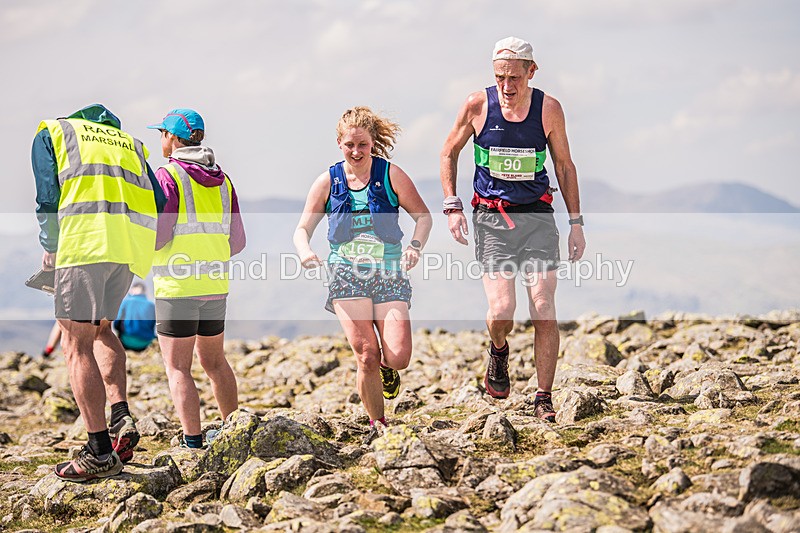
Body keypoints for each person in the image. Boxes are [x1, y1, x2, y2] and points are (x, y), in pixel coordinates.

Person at [440, 37, 586, 422]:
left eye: (515, 78)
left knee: (543, 307)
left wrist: (575, 223)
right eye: (500, 77)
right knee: (502, 310)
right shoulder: (477, 105)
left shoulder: (548, 109)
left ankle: (543, 397)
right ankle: (499, 349)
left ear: (531, 72)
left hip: (537, 216)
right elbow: (448, 152)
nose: (507, 86)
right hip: (492, 218)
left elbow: (565, 168)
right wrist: (452, 205)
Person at [32, 103, 164, 481]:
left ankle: (98, 452)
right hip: (127, 251)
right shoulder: (132, 145)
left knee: (76, 344)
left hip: (84, 247)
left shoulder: (56, 132)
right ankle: (120, 414)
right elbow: (158, 200)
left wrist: (51, 244)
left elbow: (48, 196)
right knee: (103, 329)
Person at [294, 106, 432, 443]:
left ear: (373, 144)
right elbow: (302, 228)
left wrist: (414, 246)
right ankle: (378, 424)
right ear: (339, 143)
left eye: (363, 146)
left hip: (388, 273)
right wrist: (305, 252)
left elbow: (424, 217)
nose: (356, 152)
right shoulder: (327, 181)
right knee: (367, 354)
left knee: (397, 356)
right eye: (349, 145)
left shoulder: (391, 175)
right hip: (346, 274)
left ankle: (388, 371)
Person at [148, 108, 246, 449]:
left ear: (173, 139)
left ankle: (193, 443)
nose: (160, 139)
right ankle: (234, 432)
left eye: (162, 133)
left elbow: (159, 237)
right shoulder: (224, 180)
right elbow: (238, 241)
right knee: (216, 363)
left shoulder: (167, 177)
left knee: (178, 369)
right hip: (215, 286)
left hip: (177, 288)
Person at [113, 280, 157, 351]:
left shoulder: (125, 302)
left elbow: (116, 324)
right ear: (144, 292)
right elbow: (153, 325)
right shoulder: (152, 305)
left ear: (131, 291)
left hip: (126, 340)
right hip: (145, 343)